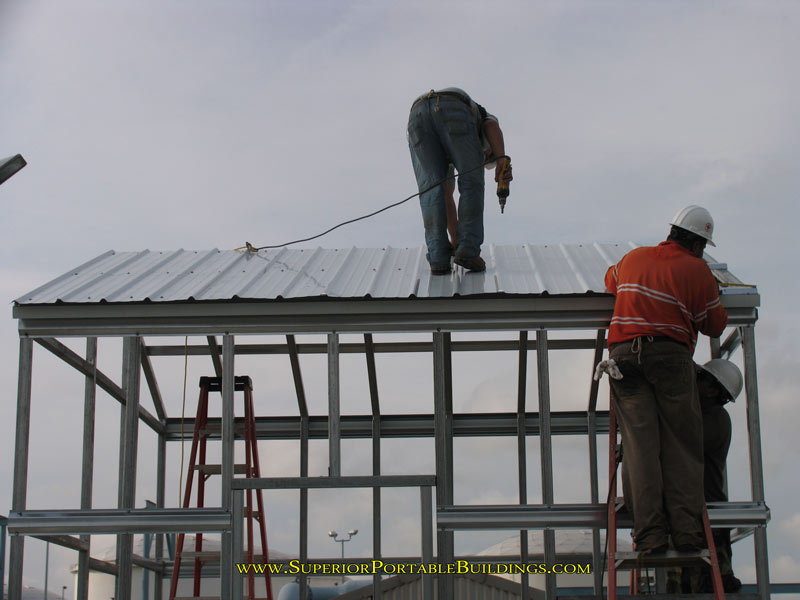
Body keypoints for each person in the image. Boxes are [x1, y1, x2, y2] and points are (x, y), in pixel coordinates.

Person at [605, 205, 728, 554]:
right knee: (682, 446)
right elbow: (714, 324)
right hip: (670, 357)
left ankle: (649, 537)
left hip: (624, 356)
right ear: (698, 243)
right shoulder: (697, 270)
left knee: (640, 450)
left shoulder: (633, 258)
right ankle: (688, 534)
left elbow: (609, 280)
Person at [407, 88, 511, 275]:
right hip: (453, 107)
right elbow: (491, 124)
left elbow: (447, 197)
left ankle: (438, 258)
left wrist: (456, 243)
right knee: (472, 181)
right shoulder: (483, 124)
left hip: (417, 116)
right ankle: (470, 250)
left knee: (432, 189)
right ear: (487, 152)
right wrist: (502, 160)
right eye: (487, 158)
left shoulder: (447, 154)